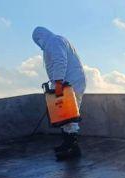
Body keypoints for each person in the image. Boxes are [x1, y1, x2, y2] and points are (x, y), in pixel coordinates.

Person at [32, 26, 86, 160]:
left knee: (70, 116)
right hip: (69, 82)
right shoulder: (57, 40)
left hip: (69, 83)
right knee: (65, 115)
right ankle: (68, 144)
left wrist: (58, 82)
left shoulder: (54, 42)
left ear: (41, 37)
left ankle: (73, 149)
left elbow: (59, 61)